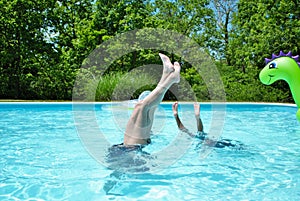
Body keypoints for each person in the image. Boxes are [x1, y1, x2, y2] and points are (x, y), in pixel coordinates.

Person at [109, 53, 181, 152]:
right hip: (130, 150)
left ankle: (167, 75)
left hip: (129, 149)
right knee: (141, 107)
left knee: (149, 107)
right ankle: (171, 79)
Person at [172, 101, 243, 149]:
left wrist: (176, 116)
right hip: (217, 143)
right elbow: (197, 131)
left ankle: (197, 117)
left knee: (199, 134)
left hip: (215, 143)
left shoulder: (197, 137)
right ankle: (197, 117)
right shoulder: (200, 137)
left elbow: (184, 129)